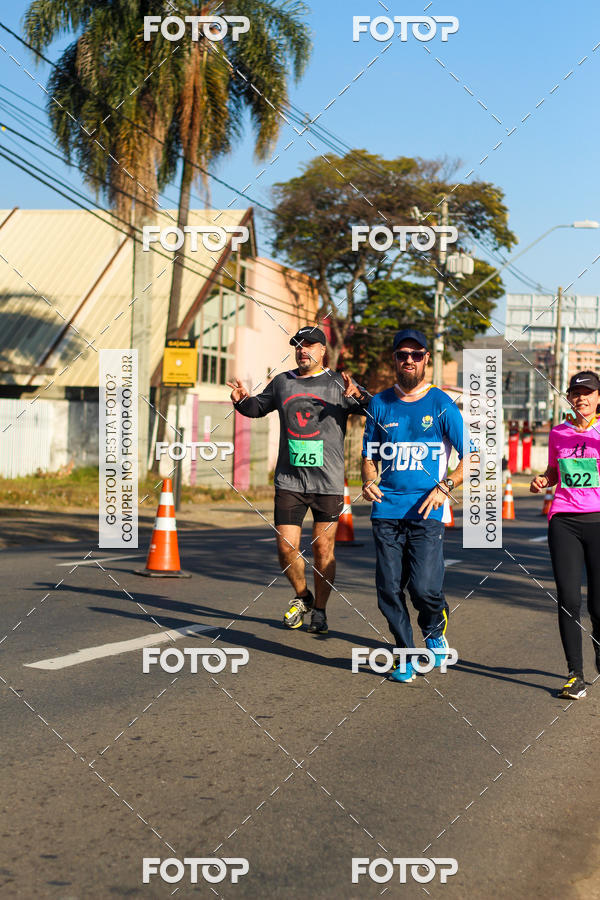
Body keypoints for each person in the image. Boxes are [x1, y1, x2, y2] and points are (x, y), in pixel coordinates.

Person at [227, 325, 370, 635]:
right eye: (298, 345)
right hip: (290, 481)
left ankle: (320, 609)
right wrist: (241, 401)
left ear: (323, 351)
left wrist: (358, 397)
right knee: (286, 548)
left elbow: (371, 409)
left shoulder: (338, 382)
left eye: (309, 345)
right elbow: (257, 408)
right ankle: (303, 597)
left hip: (328, 483)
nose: (302, 349)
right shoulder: (283, 382)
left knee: (323, 550)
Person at [361, 328, 465, 683]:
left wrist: (446, 485)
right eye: (402, 355)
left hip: (427, 512)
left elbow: (473, 457)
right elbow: (368, 456)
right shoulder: (378, 404)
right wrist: (368, 480)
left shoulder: (442, 405)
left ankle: (434, 626)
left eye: (416, 355)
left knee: (423, 589)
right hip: (386, 511)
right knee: (388, 589)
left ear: (426, 360)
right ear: (394, 359)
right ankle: (405, 654)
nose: (409, 360)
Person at [530, 371, 600, 700]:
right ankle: (575, 674)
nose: (581, 398)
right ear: (569, 397)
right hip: (564, 519)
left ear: (598, 398)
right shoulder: (559, 433)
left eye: (588, 393)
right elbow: (555, 472)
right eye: (576, 393)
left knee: (598, 604)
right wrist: (544, 480)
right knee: (569, 598)